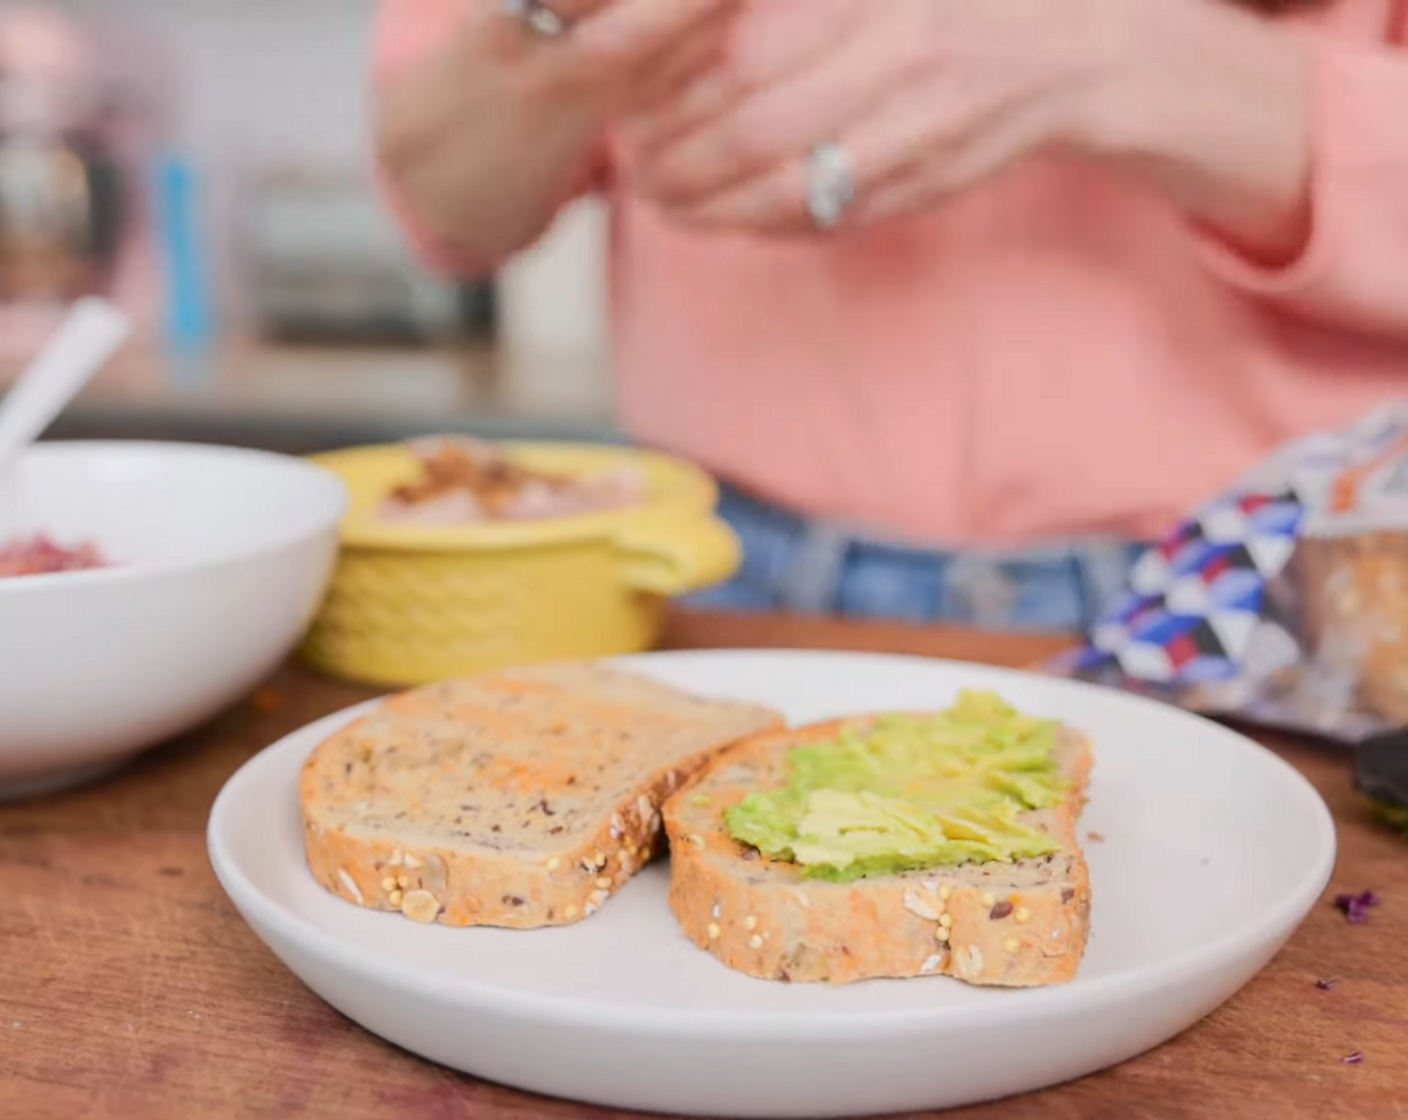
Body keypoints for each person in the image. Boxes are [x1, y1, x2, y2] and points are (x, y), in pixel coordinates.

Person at [373, 0, 1408, 631]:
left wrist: (1116, 53)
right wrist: (547, 40)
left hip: (1297, 612)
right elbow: (447, 205)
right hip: (705, 577)